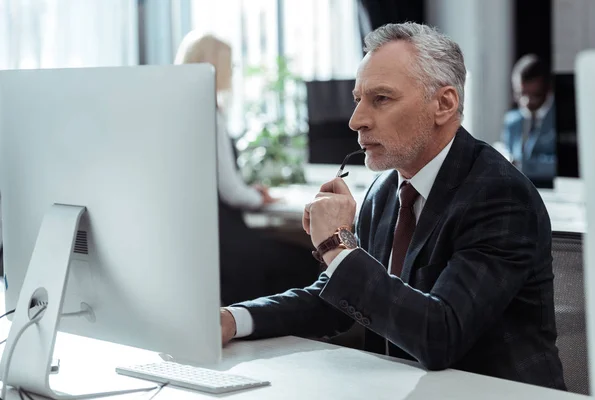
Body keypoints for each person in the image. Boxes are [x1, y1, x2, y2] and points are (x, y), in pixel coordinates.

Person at [220, 23, 566, 390]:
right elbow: (333, 301)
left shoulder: (499, 194)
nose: (357, 120)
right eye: (358, 99)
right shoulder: (386, 190)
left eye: (381, 98)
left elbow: (440, 335)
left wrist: (337, 247)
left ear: (444, 104)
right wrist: (233, 319)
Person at [174, 32, 320, 305]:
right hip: (223, 242)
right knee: (304, 261)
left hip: (195, 241)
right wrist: (258, 197)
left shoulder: (175, 113)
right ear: (215, 66)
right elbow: (230, 191)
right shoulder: (209, 112)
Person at [503, 54, 556, 186]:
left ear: (548, 89)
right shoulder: (512, 121)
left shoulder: (563, 118)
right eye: (520, 94)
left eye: (534, 95)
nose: (526, 101)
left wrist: (520, 164)